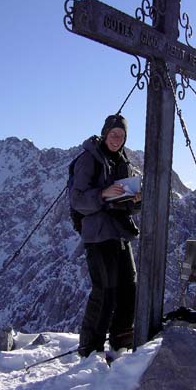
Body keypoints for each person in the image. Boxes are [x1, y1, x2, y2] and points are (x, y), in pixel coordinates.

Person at [70, 114, 141, 357]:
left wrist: (135, 200)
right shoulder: (89, 160)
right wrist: (102, 194)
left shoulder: (123, 162)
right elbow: (77, 200)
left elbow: (124, 206)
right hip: (98, 236)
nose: (117, 139)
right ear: (104, 133)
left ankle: (120, 343)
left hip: (119, 234)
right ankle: (90, 350)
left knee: (129, 289)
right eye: (113, 134)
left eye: (121, 136)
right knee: (105, 291)